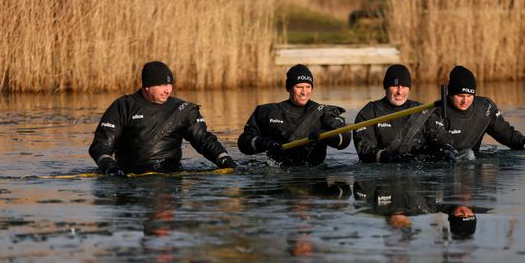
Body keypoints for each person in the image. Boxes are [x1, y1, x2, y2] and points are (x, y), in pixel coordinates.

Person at [89, 61, 236, 175]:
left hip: (171, 175)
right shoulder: (123, 106)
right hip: (130, 177)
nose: (168, 90)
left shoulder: (183, 110)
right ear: (147, 86)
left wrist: (224, 159)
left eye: (169, 84)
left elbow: (203, 139)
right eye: (162, 85)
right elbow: (101, 145)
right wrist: (110, 168)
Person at [237, 64, 350, 166]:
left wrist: (326, 135)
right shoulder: (267, 112)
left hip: (313, 176)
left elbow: (344, 139)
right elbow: (244, 143)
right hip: (278, 177)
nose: (304, 92)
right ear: (289, 88)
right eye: (299, 87)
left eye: (308, 87)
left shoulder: (323, 112)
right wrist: (266, 143)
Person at [432, 65, 525, 156]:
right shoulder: (437, 112)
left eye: (470, 95)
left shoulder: (485, 108)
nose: (465, 101)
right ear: (450, 93)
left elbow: (506, 134)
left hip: (473, 173)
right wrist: (445, 151)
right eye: (460, 96)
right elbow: (439, 139)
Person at [353, 64, 455, 163]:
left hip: (419, 172)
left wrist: (446, 149)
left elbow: (440, 136)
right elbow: (364, 149)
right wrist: (388, 157)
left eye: (404, 86)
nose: (399, 91)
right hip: (384, 172)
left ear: (409, 88)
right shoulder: (369, 112)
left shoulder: (423, 111)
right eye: (395, 85)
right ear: (385, 87)